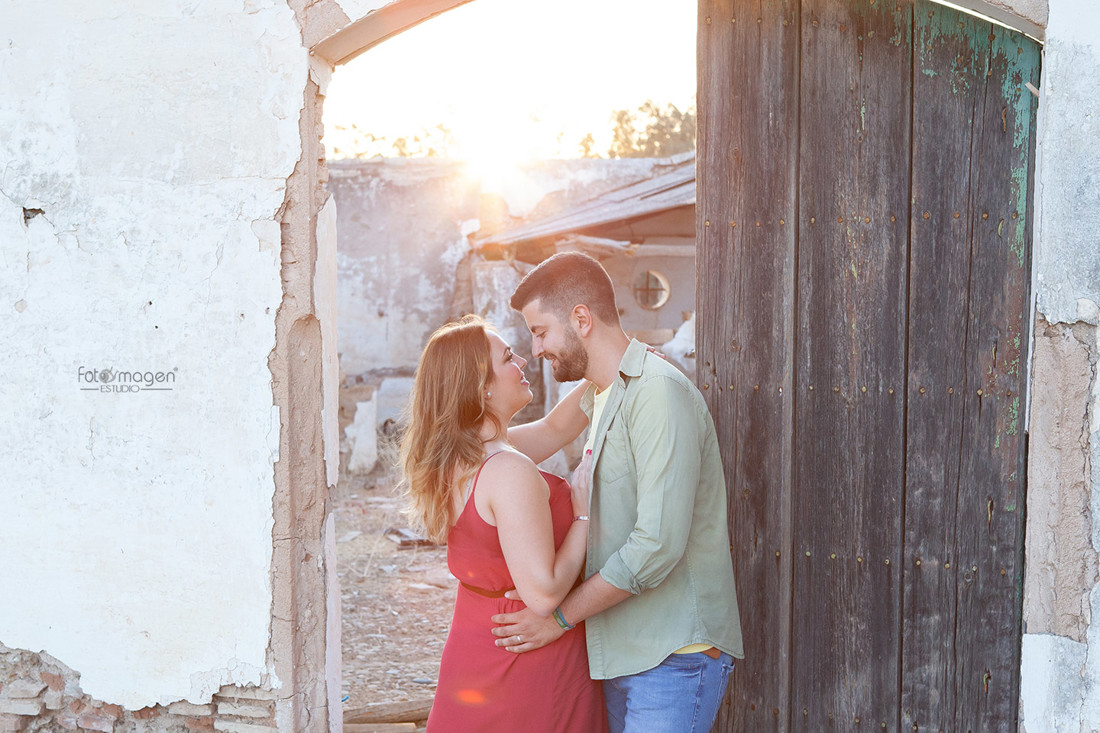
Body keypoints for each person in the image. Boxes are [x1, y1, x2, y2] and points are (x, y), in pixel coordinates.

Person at [491, 251, 744, 732]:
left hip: (673, 657)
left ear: (581, 319)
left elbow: (656, 546)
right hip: (622, 650)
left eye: (541, 330)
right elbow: (540, 435)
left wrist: (559, 618)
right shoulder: (600, 391)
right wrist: (459, 448)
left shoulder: (657, 393)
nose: (536, 348)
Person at [400, 315, 608, 732]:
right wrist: (584, 515)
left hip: (478, 646)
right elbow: (544, 594)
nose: (524, 362)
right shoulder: (507, 468)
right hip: (524, 655)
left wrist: (610, 366)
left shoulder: (463, 455)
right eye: (508, 357)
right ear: (483, 387)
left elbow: (555, 428)